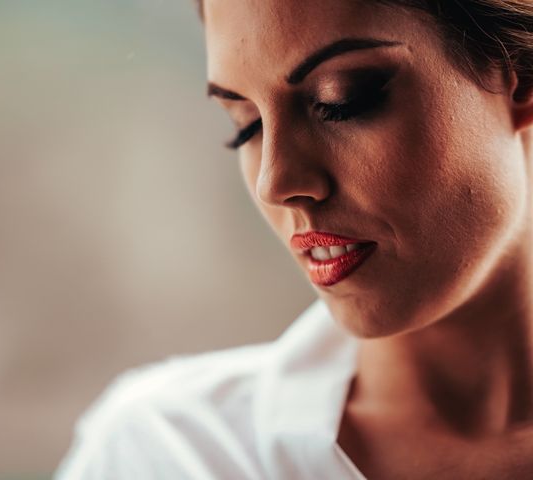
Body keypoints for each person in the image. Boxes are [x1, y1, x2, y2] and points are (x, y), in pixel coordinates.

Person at [55, 1, 533, 478]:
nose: (276, 183)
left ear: (521, 76)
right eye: (246, 126)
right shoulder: (165, 454)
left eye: (342, 100)